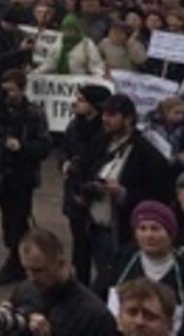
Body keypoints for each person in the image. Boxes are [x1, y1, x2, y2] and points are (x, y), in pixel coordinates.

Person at [76, 93, 175, 290]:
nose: (105, 119)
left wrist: (123, 194)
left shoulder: (146, 154)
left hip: (123, 233)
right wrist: (84, 191)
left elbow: (159, 197)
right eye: (104, 113)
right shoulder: (100, 142)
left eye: (112, 114)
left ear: (128, 119)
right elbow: (82, 169)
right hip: (94, 226)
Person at [0, 68, 50, 284]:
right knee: (8, 219)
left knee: (18, 220)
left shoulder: (33, 113)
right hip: (0, 173)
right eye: (4, 90)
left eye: (12, 90)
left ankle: (16, 261)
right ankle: (17, 253)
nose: (8, 95)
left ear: (22, 90)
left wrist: (21, 146)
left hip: (23, 176)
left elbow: (44, 146)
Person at [100, 200, 184, 334]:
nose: (148, 235)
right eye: (142, 229)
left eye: (155, 229)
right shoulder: (121, 260)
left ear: (170, 234)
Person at [1, 228, 117, 336]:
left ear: (61, 263)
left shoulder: (94, 317)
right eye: (26, 269)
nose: (31, 278)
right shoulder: (25, 291)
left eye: (38, 270)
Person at [63, 83, 111, 284]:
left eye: (82, 100)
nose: (76, 103)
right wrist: (65, 164)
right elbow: (65, 152)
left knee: (101, 252)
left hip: (97, 198)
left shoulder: (106, 133)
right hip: (74, 194)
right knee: (79, 248)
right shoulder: (74, 126)